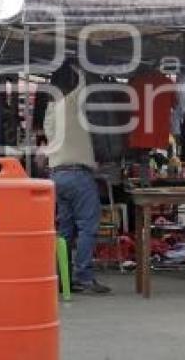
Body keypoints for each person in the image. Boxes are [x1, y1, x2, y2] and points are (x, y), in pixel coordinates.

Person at [45, 65, 111, 294]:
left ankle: (63, 276)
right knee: (88, 228)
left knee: (65, 230)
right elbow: (85, 83)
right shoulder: (70, 104)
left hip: (57, 176)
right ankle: (84, 276)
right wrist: (80, 65)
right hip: (77, 176)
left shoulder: (50, 112)